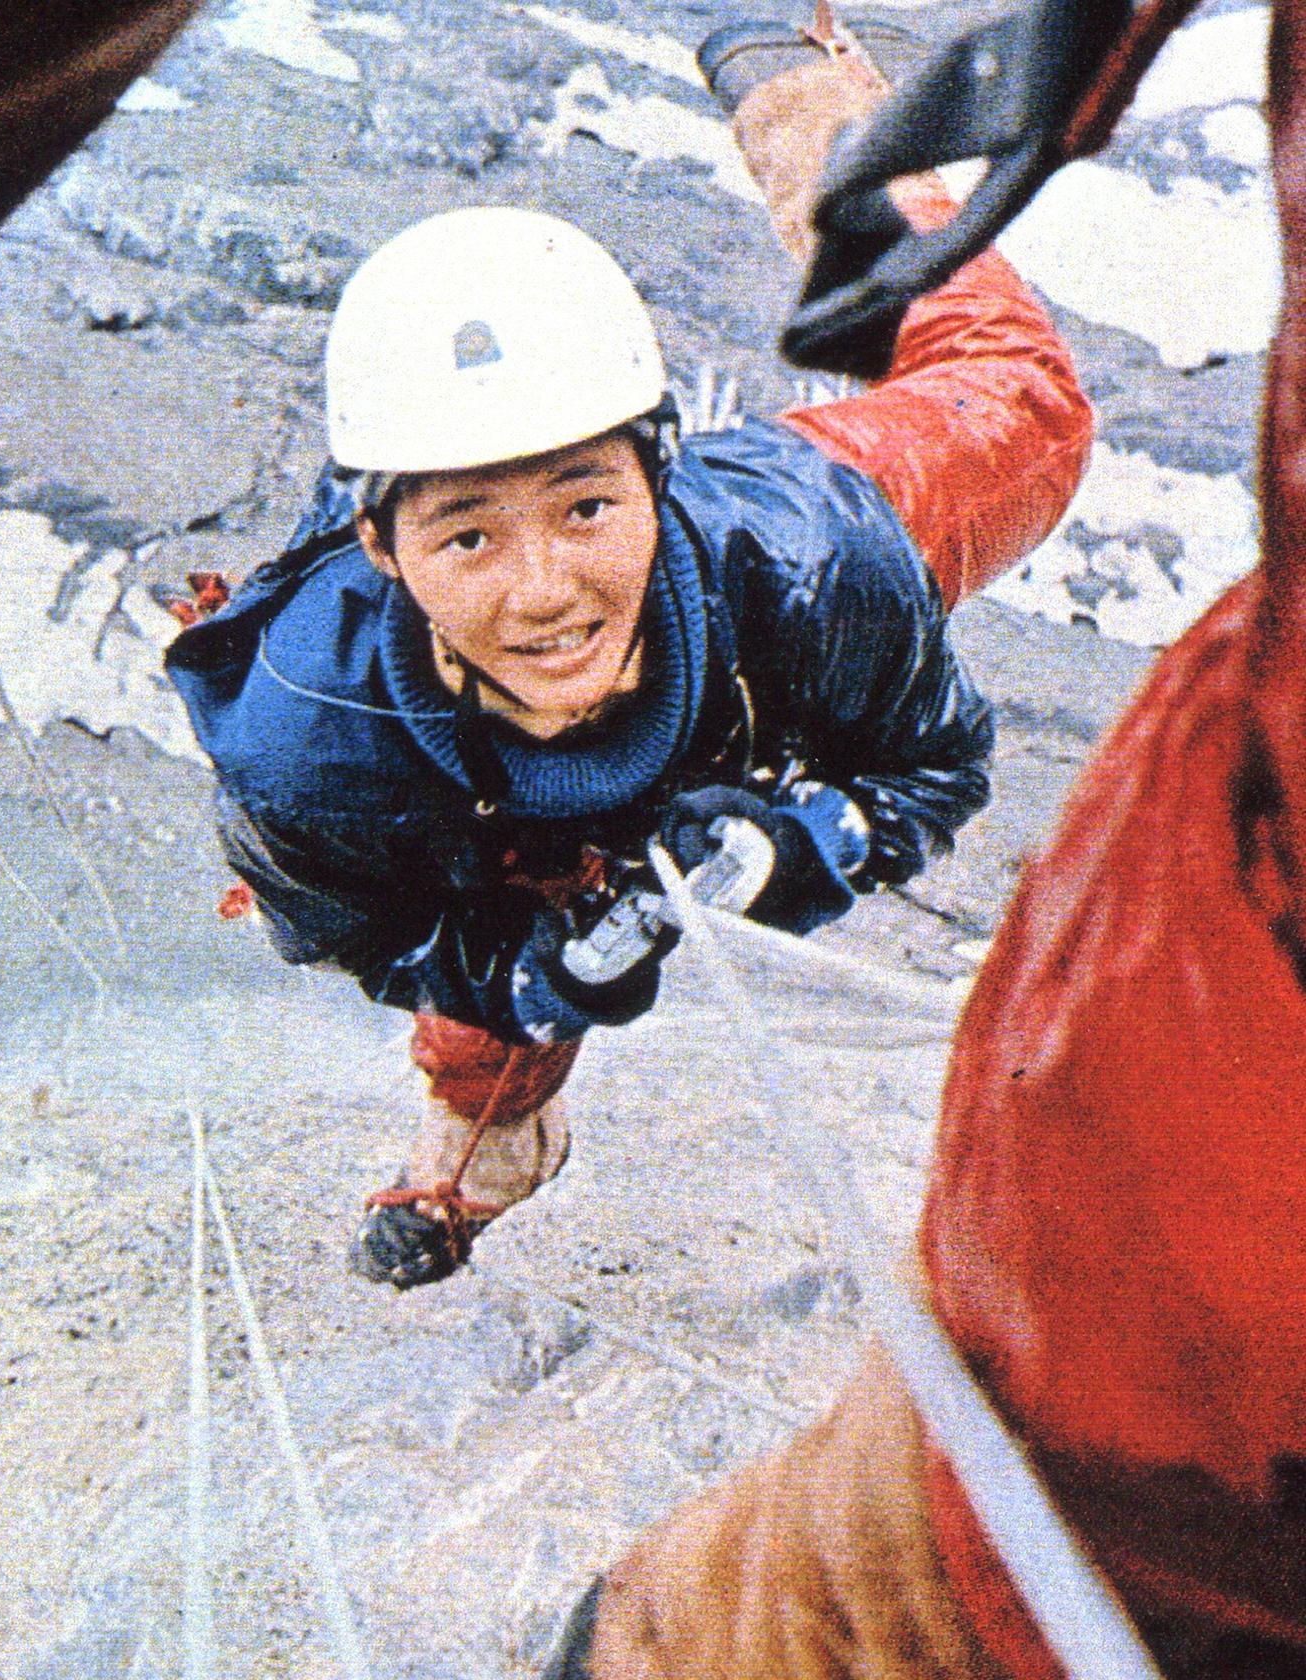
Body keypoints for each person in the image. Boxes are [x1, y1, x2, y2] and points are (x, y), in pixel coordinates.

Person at [540, 5, 1306, 1680]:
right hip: (1102, 1316)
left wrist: (806, 113)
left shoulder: (768, 557)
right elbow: (1008, 409)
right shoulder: (775, 549)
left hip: (1118, 1400)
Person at [164, 13, 1091, 1292]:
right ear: (384, 548)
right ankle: (479, 1148)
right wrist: (529, 973)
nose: (546, 593)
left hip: (770, 557)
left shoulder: (814, 569)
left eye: (587, 507)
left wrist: (807, 844)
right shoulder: (306, 738)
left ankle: (819, 126)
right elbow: (368, 934)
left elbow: (932, 769)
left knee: (1019, 398)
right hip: (481, 812)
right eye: (470, 536)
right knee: (486, 1018)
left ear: (661, 480)